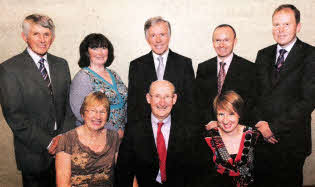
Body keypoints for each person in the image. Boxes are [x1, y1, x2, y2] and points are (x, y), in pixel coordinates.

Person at [0, 14, 75, 187]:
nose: (42, 40)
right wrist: (48, 143)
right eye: (36, 34)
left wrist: (63, 138)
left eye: (46, 34)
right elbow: (15, 116)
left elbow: (69, 106)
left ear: (53, 38)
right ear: (24, 37)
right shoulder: (9, 69)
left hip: (64, 151)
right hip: (33, 155)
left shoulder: (61, 64)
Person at [254, 4, 315, 186]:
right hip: (261, 142)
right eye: (276, 25)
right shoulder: (263, 54)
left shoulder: (310, 55)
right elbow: (254, 95)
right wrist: (261, 125)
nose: (280, 30)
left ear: (298, 26)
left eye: (286, 24)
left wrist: (273, 128)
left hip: (291, 144)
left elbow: (308, 101)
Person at [116, 80, 193, 187]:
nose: (162, 103)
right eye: (157, 96)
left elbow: (195, 171)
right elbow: (123, 170)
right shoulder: (134, 129)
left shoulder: (189, 129)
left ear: (174, 99)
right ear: (148, 98)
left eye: (167, 96)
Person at [127, 16, 195, 124]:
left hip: (178, 129)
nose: (158, 40)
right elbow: (133, 105)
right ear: (147, 38)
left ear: (169, 36)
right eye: (153, 35)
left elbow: (190, 103)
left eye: (162, 34)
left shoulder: (184, 64)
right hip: (146, 130)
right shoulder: (136, 66)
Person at [195, 24, 256, 129]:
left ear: (235, 41)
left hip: (238, 130)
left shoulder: (249, 68)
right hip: (209, 130)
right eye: (217, 40)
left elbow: (251, 103)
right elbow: (198, 101)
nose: (221, 44)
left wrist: (228, 123)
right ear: (213, 42)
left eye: (226, 40)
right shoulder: (203, 68)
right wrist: (210, 121)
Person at [70, 33, 127, 139]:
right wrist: (114, 131)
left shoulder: (114, 74)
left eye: (104, 48)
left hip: (121, 135)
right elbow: (80, 113)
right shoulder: (83, 77)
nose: (100, 52)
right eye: (95, 48)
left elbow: (124, 102)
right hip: (96, 135)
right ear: (87, 52)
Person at [56, 91, 119, 186]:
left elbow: (123, 173)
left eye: (102, 111)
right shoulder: (67, 140)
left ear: (107, 115)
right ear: (83, 113)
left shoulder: (114, 137)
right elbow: (63, 184)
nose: (98, 116)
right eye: (92, 111)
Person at [204, 91, 260, 187]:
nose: (225, 120)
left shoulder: (255, 136)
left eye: (231, 114)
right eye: (221, 114)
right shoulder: (208, 139)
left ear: (239, 114)